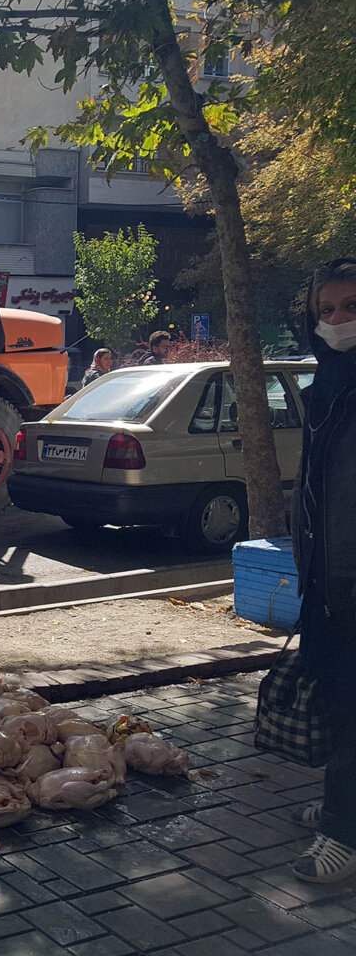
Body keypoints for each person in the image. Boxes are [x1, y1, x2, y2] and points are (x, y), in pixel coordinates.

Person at [289, 258, 356, 883]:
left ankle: (343, 835)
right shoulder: (329, 384)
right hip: (328, 580)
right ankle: (346, 807)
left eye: (351, 309)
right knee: (337, 698)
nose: (336, 322)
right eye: (325, 311)